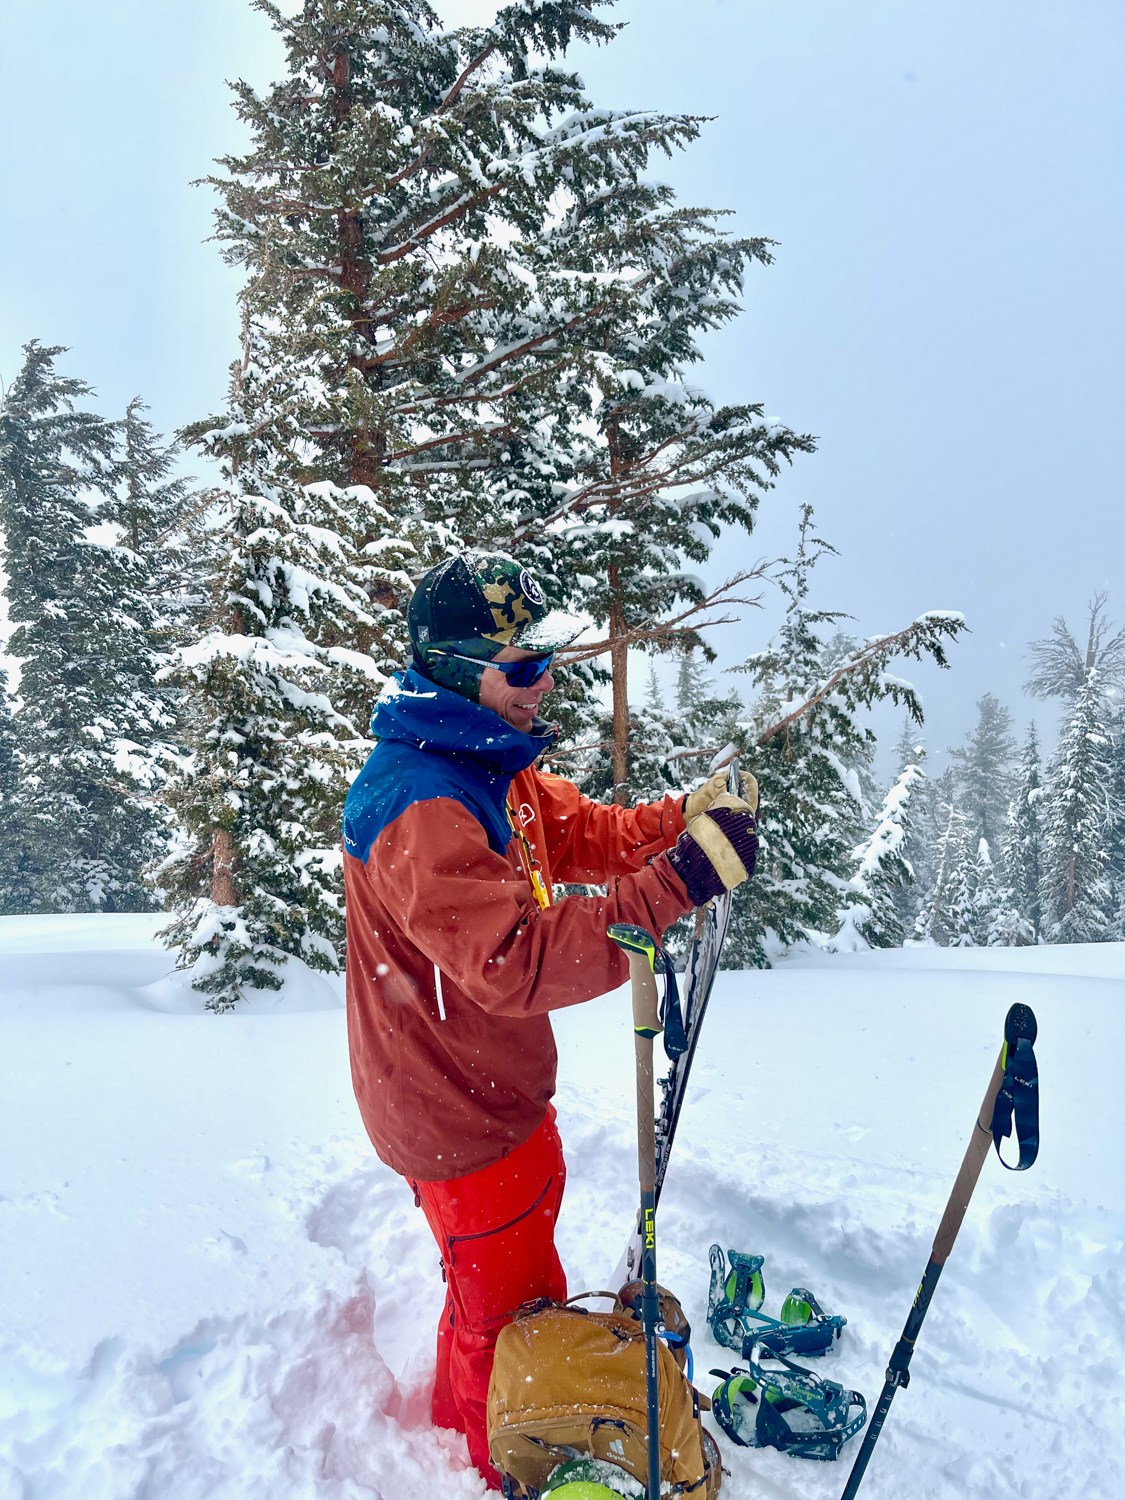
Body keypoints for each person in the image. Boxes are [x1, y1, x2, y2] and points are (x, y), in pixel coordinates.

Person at [342, 551, 758, 1487]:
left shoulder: (486, 760)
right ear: (453, 669)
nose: (543, 683)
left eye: (547, 661)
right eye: (522, 667)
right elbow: (517, 958)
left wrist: (679, 819)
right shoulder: (421, 802)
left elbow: (585, 834)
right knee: (509, 1310)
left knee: (491, 1288)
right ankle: (498, 1464)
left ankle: (459, 1424)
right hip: (456, 1115)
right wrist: (679, 884)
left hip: (487, 1090)